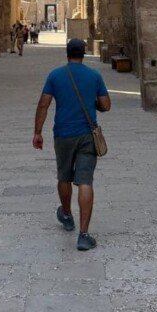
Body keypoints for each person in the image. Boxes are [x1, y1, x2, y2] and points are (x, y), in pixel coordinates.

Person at [32, 38, 111, 251]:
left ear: (67, 54)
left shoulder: (55, 75)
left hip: (63, 134)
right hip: (87, 134)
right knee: (85, 181)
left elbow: (43, 105)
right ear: (83, 54)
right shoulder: (94, 76)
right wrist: (93, 104)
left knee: (64, 176)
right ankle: (84, 234)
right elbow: (106, 105)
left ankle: (67, 215)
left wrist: (37, 132)